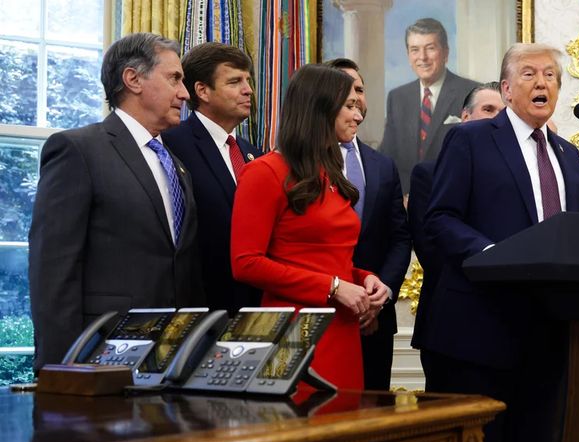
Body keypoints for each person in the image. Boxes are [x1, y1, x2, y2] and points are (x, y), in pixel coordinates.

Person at [423, 44, 579, 442]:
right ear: (505, 88)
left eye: (551, 75)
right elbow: (440, 218)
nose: (542, 83)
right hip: (479, 333)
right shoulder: (471, 140)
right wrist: (495, 255)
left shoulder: (569, 155)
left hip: (546, 335)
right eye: (529, 74)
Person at [29, 33, 203, 370]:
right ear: (133, 79)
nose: (184, 93)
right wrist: (61, 368)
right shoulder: (78, 150)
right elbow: (53, 270)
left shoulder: (177, 165)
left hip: (171, 359)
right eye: (174, 79)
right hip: (98, 355)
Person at [230, 64, 390, 389]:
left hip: (343, 329)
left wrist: (364, 278)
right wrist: (333, 287)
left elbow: (326, 257)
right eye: (349, 106)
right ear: (320, 108)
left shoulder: (328, 174)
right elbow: (245, 262)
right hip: (295, 331)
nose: (358, 115)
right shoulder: (265, 172)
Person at [409, 81, 504, 387]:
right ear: (465, 117)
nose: (496, 118)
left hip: (507, 324)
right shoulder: (429, 173)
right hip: (451, 324)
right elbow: (433, 251)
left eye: (503, 112)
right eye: (488, 109)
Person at [325, 58, 411, 391]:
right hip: (322, 313)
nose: (356, 98)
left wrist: (382, 294)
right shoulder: (301, 164)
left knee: (374, 411)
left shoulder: (383, 165)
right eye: (345, 91)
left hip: (375, 320)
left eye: (359, 89)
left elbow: (400, 237)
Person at [162, 42, 263, 314]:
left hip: (254, 305)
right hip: (202, 307)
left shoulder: (253, 154)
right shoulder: (172, 144)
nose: (248, 90)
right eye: (235, 81)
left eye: (248, 81)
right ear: (202, 90)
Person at [380, 17, 478, 194]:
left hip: (454, 197)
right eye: (415, 50)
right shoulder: (397, 97)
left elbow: (478, 156)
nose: (422, 57)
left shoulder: (472, 93)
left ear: (445, 52)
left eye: (430, 48)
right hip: (407, 200)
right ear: (408, 55)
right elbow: (388, 156)